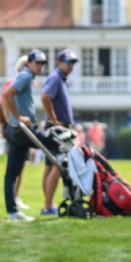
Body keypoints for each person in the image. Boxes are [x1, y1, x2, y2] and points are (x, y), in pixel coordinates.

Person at [1, 49, 48, 221]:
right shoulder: (26, 76)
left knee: (12, 174)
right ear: (28, 63)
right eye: (38, 63)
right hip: (22, 130)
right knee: (55, 146)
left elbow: (6, 100)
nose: (40, 66)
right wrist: (18, 118)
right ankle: (52, 204)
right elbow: (7, 95)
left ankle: (13, 213)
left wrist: (10, 120)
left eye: (43, 64)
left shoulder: (26, 76)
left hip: (15, 129)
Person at [39, 49, 78, 216]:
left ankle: (49, 205)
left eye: (73, 63)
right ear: (59, 63)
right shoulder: (55, 78)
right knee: (58, 167)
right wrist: (54, 120)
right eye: (68, 62)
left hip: (58, 128)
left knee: (50, 168)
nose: (71, 66)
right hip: (56, 130)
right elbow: (45, 97)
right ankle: (48, 207)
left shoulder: (61, 79)